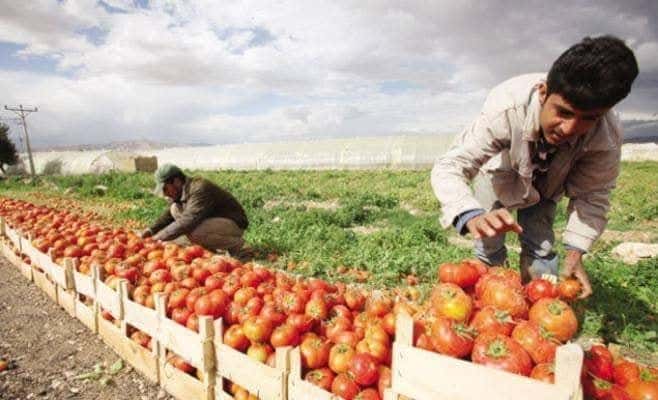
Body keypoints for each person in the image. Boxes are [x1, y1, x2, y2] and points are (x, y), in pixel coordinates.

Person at [431, 35, 638, 298]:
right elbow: (451, 164)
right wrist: (470, 214)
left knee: (540, 247)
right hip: (499, 175)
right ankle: (487, 300)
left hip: (547, 184)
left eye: (588, 118)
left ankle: (538, 305)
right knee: (488, 243)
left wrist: (576, 253)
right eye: (563, 112)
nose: (569, 129)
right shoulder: (506, 106)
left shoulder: (606, 132)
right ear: (543, 92)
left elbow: (593, 194)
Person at [142, 163, 249, 256]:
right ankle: (210, 250)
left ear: (176, 181)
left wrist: (158, 238)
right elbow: (169, 216)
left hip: (233, 223)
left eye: (165, 188)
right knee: (174, 209)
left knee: (194, 232)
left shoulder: (199, 188)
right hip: (213, 221)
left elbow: (188, 220)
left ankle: (238, 245)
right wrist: (151, 230)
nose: (165, 193)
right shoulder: (180, 193)